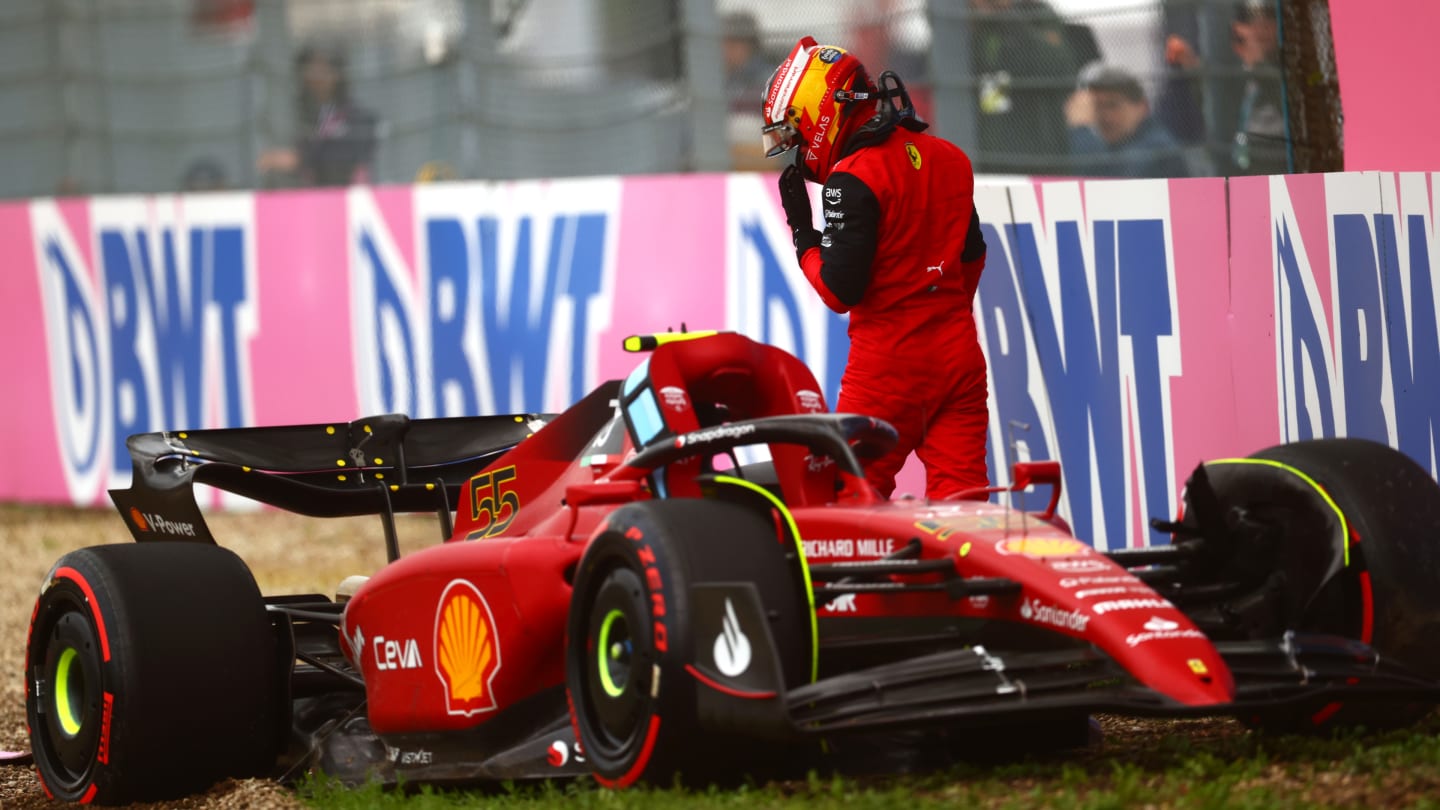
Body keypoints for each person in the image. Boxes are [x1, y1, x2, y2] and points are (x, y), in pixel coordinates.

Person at [762, 37, 990, 500]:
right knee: (964, 506)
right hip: (959, 356)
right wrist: (941, 317)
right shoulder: (951, 158)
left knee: (848, 505)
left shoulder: (852, 178)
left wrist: (803, 234)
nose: (794, 148)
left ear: (819, 116)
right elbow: (973, 257)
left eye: (793, 132)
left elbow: (838, 291)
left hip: (887, 366)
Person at [968, 0, 1090, 176]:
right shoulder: (976, 25)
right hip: (991, 158)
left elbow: (1060, 68)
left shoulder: (1035, 12)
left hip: (1041, 157)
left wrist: (1007, 13)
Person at [257, 41, 378, 188]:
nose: (315, 75)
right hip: (307, 195)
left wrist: (299, 159)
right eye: (310, 68)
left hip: (345, 194)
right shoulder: (298, 114)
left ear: (337, 74)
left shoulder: (357, 117)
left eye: (323, 68)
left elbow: (345, 157)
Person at [1065, 65, 1189, 178]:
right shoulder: (1118, 145)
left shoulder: (1157, 146)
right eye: (1097, 107)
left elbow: (1111, 181)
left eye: (1113, 105)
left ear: (1142, 107)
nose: (1105, 116)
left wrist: (1081, 129)